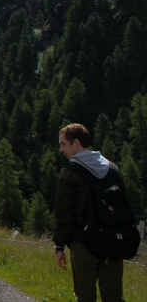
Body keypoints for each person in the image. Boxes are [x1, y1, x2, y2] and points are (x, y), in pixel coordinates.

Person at [53, 123, 124, 302]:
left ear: (76, 143)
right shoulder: (112, 169)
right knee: (114, 298)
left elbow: (64, 214)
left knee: (85, 298)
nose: (61, 150)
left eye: (63, 144)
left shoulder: (69, 174)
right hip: (113, 243)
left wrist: (59, 246)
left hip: (83, 245)